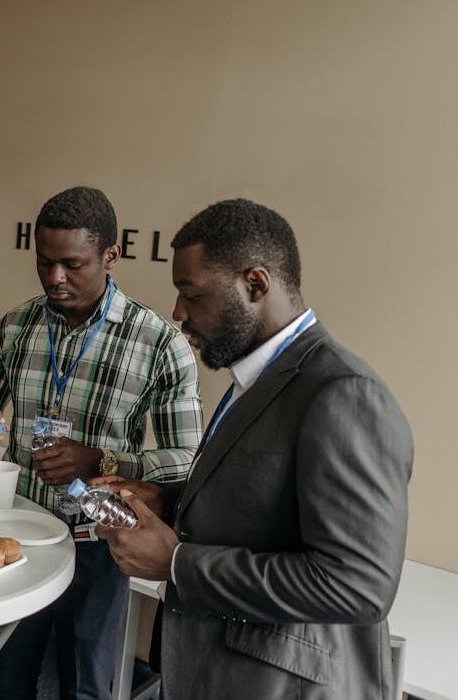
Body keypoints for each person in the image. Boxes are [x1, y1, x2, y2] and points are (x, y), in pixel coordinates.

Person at [95, 199, 412, 700]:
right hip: (217, 667)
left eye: (190, 294)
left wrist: (177, 562)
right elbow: (258, 501)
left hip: (280, 684)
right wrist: (166, 501)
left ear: (255, 284)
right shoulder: (255, 375)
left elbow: (357, 585)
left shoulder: (343, 393)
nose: (178, 314)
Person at [0, 187, 201, 700]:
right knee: (6, 680)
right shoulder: (17, 326)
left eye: (72, 264)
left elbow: (186, 462)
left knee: (87, 688)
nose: (54, 278)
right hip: (18, 535)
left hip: (101, 542)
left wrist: (101, 460)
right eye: (44, 263)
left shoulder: (159, 343)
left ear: (110, 256)